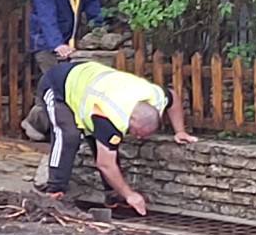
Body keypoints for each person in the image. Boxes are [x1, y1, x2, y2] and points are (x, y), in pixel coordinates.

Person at [36, 60, 197, 214]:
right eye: (137, 132)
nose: (138, 137)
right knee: (68, 135)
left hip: (91, 84)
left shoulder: (155, 97)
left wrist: (180, 131)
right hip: (58, 83)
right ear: (132, 118)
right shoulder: (111, 115)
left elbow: (174, 98)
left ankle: (113, 196)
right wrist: (130, 194)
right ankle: (55, 191)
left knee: (104, 141)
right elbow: (105, 164)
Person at [21, 0, 105, 140]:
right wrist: (56, 43)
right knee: (58, 86)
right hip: (45, 42)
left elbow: (89, 0)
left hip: (68, 39)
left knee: (56, 86)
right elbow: (46, 12)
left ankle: (35, 124)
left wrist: (99, 26)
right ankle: (41, 125)